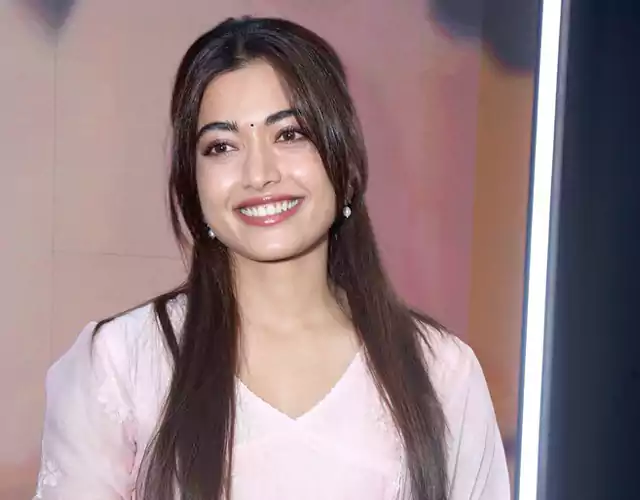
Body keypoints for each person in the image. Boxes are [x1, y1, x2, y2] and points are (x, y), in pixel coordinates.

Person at [34, 16, 510, 500]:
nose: (259, 173)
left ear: (345, 160)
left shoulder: (439, 371)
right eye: (222, 146)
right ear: (192, 184)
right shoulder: (120, 365)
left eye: (289, 134)